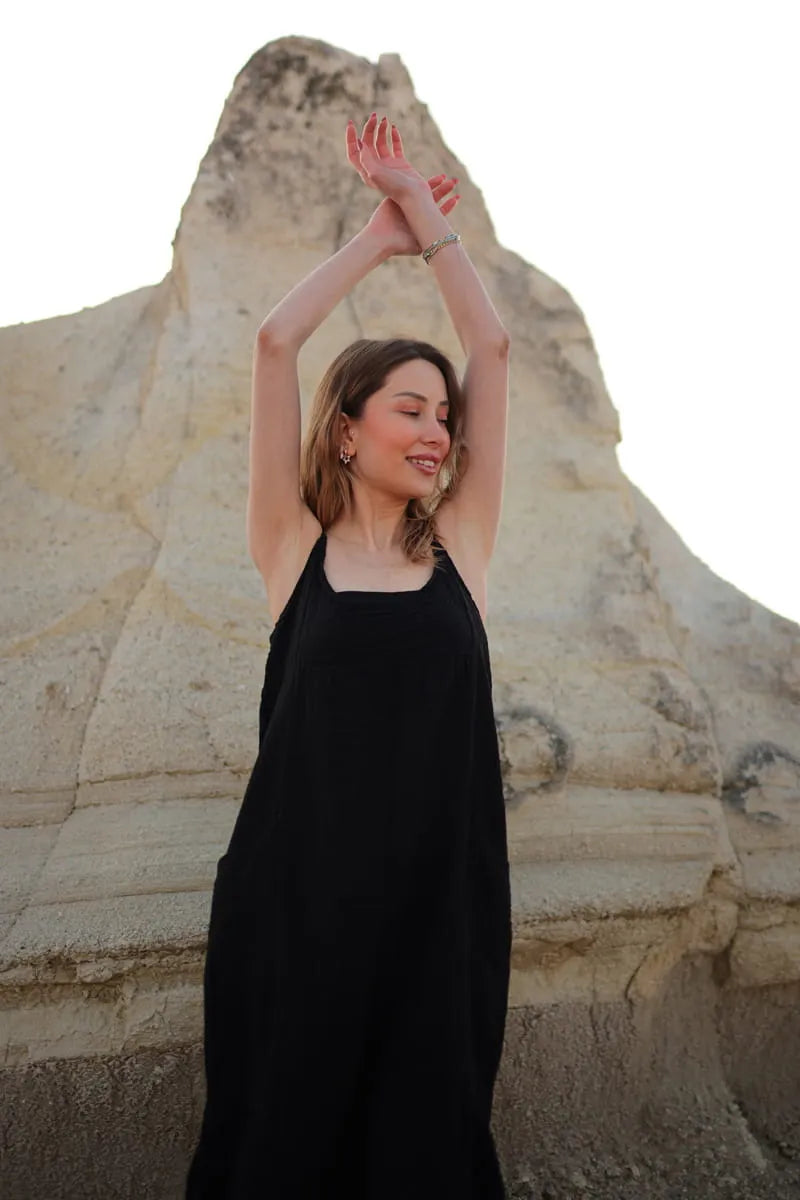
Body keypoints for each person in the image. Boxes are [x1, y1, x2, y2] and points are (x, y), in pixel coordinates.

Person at [185, 112, 512, 1199]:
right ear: (345, 430)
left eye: (444, 417)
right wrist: (375, 241)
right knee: (282, 1149)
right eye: (409, 409)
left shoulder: (460, 548)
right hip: (295, 912)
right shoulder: (292, 551)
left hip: (435, 915)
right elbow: (274, 343)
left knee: (423, 1152)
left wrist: (426, 217)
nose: (436, 431)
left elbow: (493, 350)